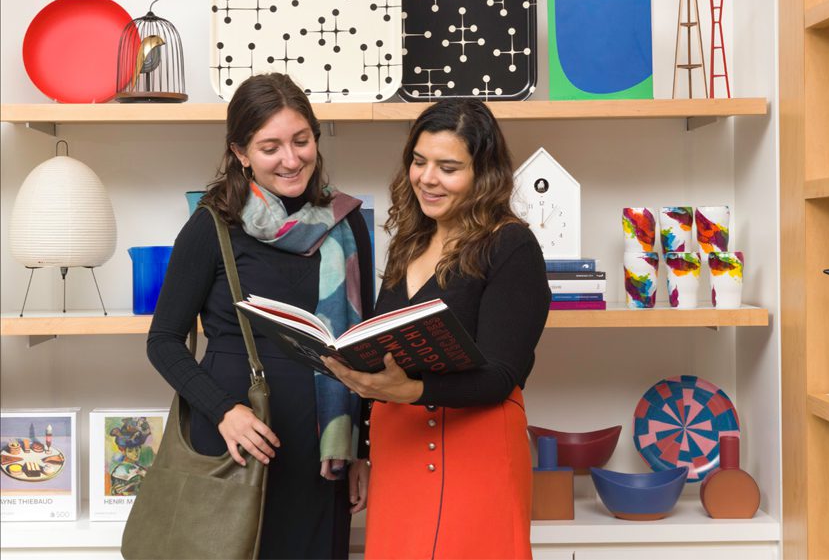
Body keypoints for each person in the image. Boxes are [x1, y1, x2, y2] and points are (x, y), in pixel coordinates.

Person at [147, 73, 372, 559]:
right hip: (237, 442)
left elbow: (364, 346)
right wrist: (224, 412)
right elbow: (162, 340)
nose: (292, 160)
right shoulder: (212, 224)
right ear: (241, 152)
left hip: (323, 451)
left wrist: (362, 450)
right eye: (270, 147)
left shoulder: (348, 221)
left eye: (301, 140)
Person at [321, 98, 551, 559]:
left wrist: (409, 391)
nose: (427, 178)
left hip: (474, 449)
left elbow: (502, 375)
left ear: (484, 175)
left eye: (448, 167)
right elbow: (383, 350)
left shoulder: (511, 245)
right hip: (399, 448)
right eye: (419, 161)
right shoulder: (410, 241)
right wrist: (364, 447)